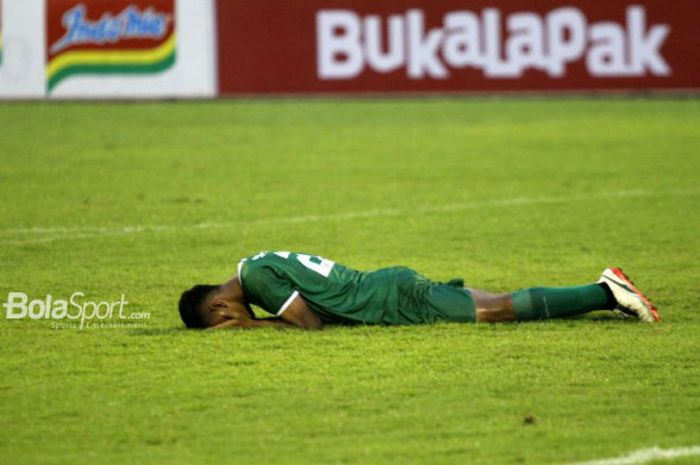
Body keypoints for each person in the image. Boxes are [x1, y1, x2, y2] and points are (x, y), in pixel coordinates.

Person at [178, 251, 659, 330]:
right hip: (388, 285)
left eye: (222, 322)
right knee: (492, 300)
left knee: (498, 311)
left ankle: (605, 292)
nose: (230, 327)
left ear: (220, 304)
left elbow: (311, 325)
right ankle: (601, 292)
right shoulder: (255, 264)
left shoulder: (257, 280)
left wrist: (255, 327)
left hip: (392, 300)